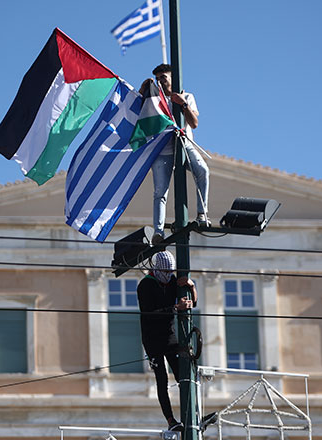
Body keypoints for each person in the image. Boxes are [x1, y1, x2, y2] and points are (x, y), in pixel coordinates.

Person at [141, 63, 210, 243]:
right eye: (157, 79)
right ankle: (158, 231)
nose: (160, 81)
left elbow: (194, 123)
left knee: (202, 171)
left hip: (184, 145)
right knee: (160, 191)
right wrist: (142, 92)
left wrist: (183, 104)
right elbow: (139, 113)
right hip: (163, 149)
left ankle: (202, 214)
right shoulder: (154, 100)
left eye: (163, 77)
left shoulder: (187, 96)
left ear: (173, 77)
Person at [137, 251, 198, 432]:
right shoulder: (145, 285)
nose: (168, 276)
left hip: (169, 335)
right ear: (157, 270)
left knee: (183, 373)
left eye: (171, 272)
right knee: (162, 379)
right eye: (165, 273)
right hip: (152, 338)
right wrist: (175, 307)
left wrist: (191, 286)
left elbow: (192, 303)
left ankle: (193, 413)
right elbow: (149, 314)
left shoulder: (172, 281)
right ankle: (171, 420)